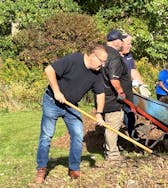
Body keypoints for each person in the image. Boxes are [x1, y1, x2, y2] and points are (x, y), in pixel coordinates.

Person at [35, 44, 108, 184]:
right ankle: (41, 169)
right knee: (46, 136)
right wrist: (57, 91)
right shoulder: (74, 59)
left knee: (78, 135)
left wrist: (99, 113)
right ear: (93, 56)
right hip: (52, 101)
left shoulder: (97, 73)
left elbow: (100, 93)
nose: (103, 65)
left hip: (71, 106)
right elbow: (49, 70)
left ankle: (74, 168)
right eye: (102, 61)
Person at [102, 29, 133, 161]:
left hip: (104, 96)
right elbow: (114, 79)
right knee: (113, 125)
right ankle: (112, 154)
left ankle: (109, 149)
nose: (123, 44)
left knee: (110, 125)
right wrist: (121, 93)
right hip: (113, 98)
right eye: (122, 41)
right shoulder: (114, 56)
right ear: (116, 42)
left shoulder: (103, 52)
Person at [120, 34, 150, 140]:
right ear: (121, 43)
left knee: (130, 115)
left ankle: (133, 139)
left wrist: (141, 85)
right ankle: (113, 144)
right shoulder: (114, 57)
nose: (131, 46)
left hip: (128, 93)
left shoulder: (128, 56)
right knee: (119, 117)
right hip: (116, 93)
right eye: (129, 44)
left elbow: (133, 71)